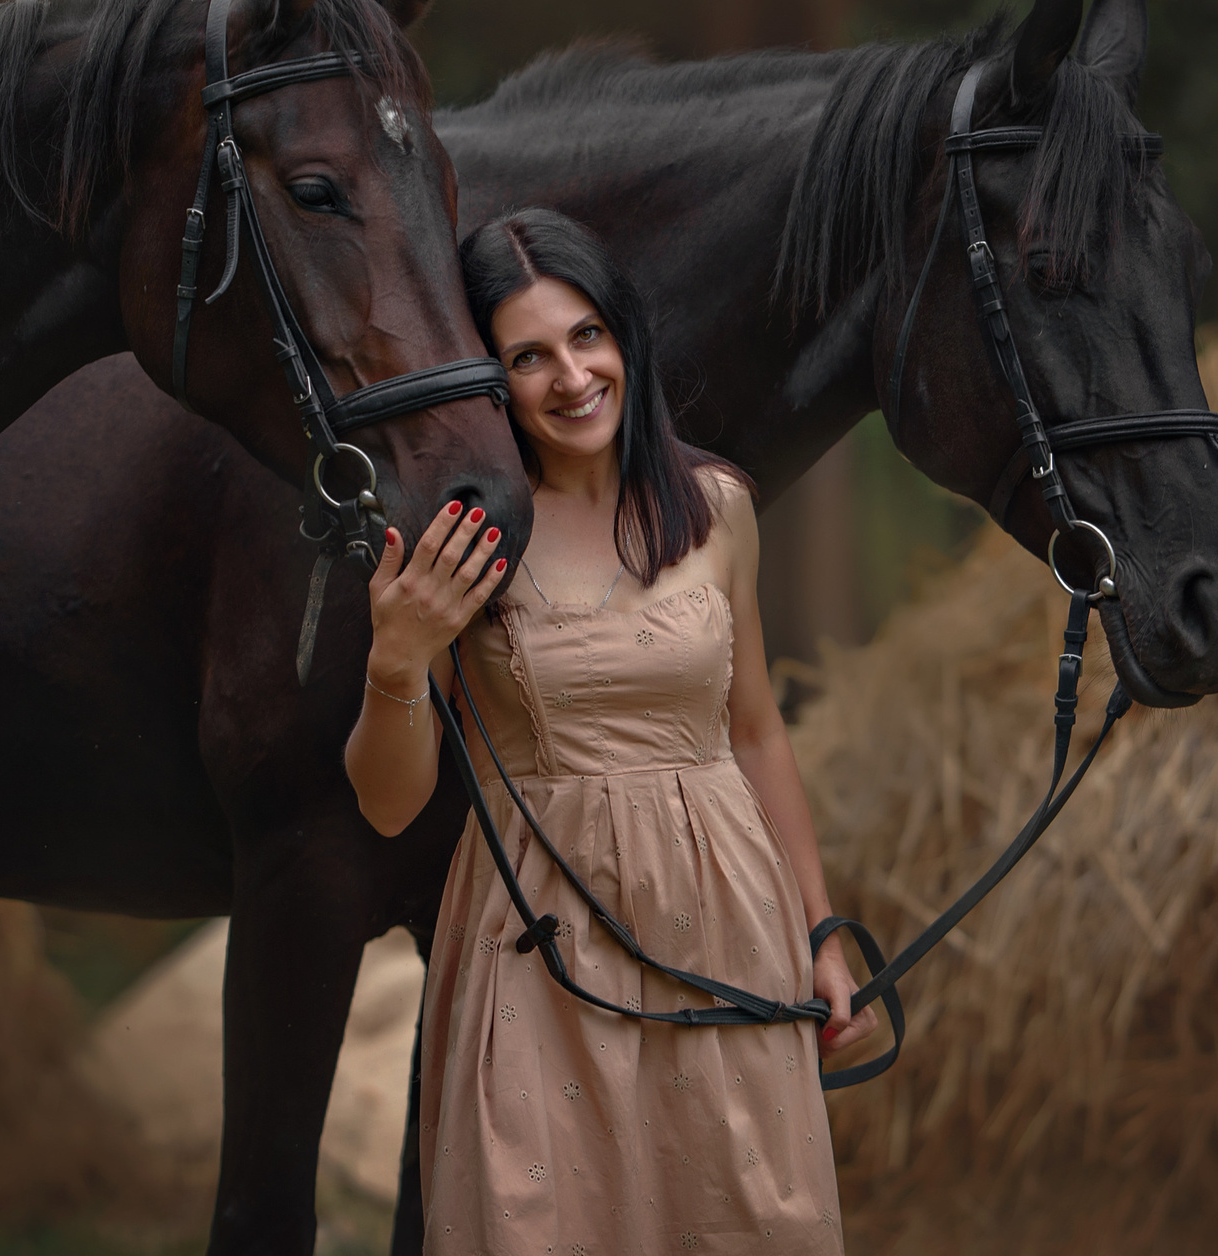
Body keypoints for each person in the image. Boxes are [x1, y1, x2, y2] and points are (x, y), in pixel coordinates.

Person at [344, 208, 877, 1254]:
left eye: (586, 335)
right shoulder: (464, 536)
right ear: (492, 381)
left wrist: (818, 932)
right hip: (538, 945)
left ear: (625, 337)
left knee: (738, 1221)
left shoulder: (716, 507)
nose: (570, 376)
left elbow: (756, 731)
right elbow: (390, 801)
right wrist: (394, 663)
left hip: (722, 918)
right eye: (528, 356)